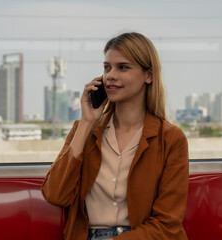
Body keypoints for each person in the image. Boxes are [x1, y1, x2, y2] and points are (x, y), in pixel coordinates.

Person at [41, 32, 189, 240]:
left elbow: (167, 224)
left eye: (123, 67)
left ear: (149, 75)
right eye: (107, 67)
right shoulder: (85, 130)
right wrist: (86, 123)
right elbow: (55, 194)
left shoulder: (171, 139)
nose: (110, 75)